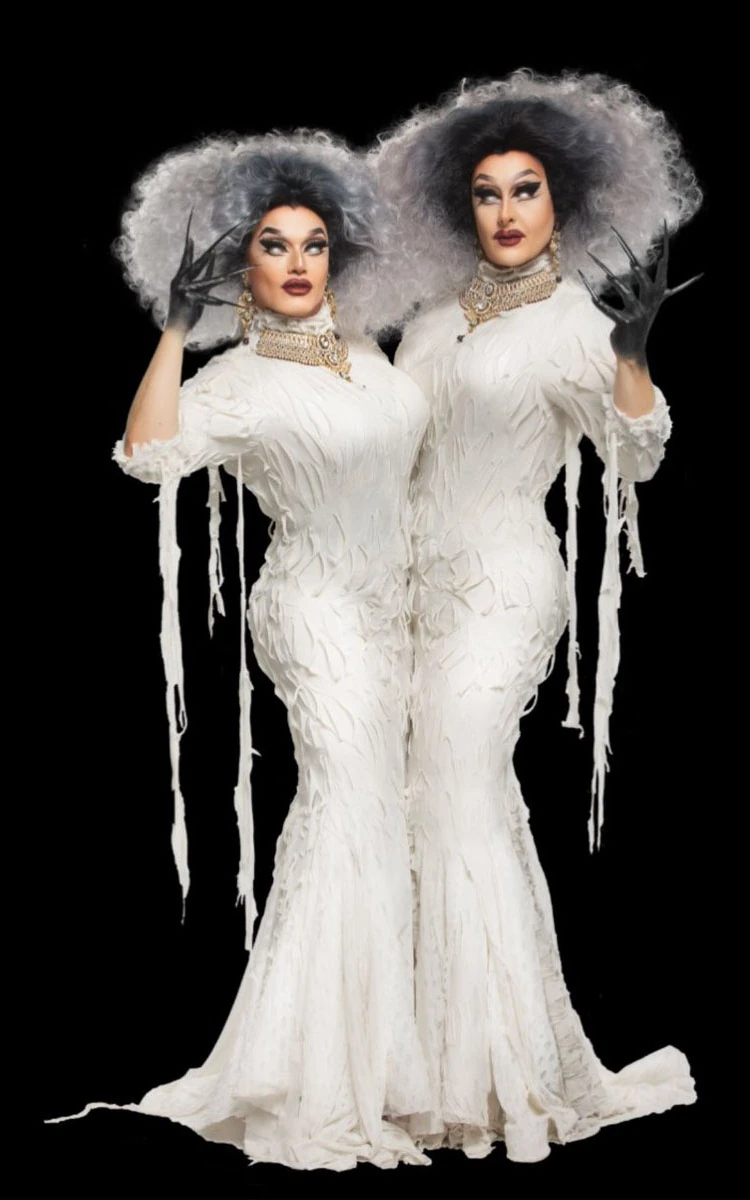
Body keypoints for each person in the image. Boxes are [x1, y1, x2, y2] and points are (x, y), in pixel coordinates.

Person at [46, 131, 432, 1171]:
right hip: (316, 612)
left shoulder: (370, 357)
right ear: (242, 266)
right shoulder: (237, 380)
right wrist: (177, 331)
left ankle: (381, 1062)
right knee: (344, 810)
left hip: (399, 618)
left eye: (315, 244)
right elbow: (146, 455)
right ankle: (309, 1077)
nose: (298, 263)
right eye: (274, 245)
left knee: (383, 820)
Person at [373, 70, 702, 1162]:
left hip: (503, 587)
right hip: (407, 594)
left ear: (563, 202)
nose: (507, 211)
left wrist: (632, 357)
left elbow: (637, 452)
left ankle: (501, 1076)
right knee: (419, 805)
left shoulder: (574, 323)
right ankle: (423, 1068)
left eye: (526, 190)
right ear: (462, 208)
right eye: (487, 193)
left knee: (460, 787)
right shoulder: (429, 322)